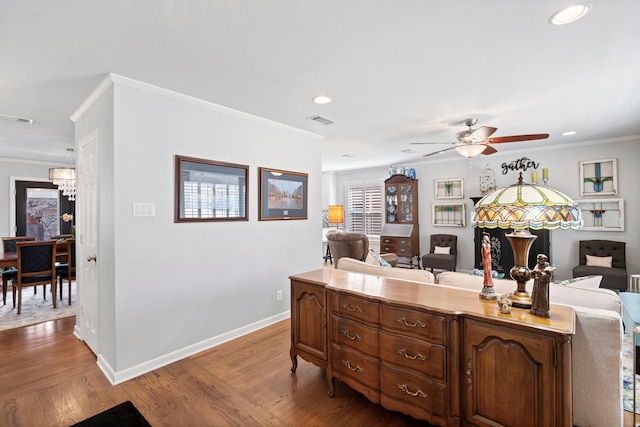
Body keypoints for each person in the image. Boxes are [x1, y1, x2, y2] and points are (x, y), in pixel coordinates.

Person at [479, 233, 497, 300]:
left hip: (487, 259)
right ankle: (486, 283)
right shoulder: (484, 245)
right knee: (485, 272)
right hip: (485, 259)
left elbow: (487, 253)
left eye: (485, 240)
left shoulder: (488, 246)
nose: (483, 241)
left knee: (488, 272)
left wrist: (484, 247)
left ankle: (489, 283)